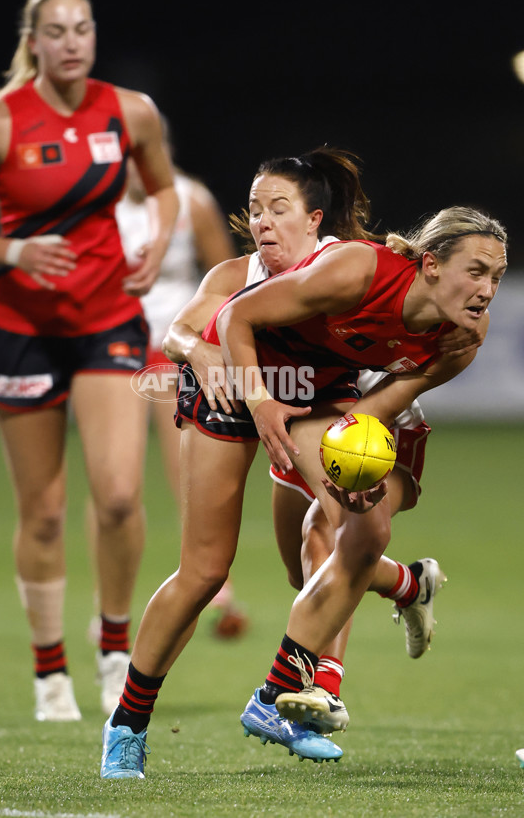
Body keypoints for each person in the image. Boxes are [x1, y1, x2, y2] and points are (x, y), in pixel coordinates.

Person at [99, 148, 496, 779]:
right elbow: (221, 321)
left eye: (276, 208)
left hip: (316, 394)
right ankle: (126, 725)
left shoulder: (424, 318)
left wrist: (359, 466)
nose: (261, 220)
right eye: (255, 209)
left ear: (315, 219)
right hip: (237, 386)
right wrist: (232, 381)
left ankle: (288, 694)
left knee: (361, 527)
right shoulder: (259, 273)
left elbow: (376, 406)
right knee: (205, 572)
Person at [0, 0, 179, 723]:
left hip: (109, 320)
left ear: (93, 36)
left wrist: (159, 241)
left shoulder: (130, 111)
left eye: (83, 29)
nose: (72, 42)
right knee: (42, 514)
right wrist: (14, 251)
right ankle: (50, 676)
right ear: (33, 42)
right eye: (57, 31)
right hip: (22, 330)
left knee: (117, 497)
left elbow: (164, 192)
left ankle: (113, 654)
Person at [214, 201, 506, 740]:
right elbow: (235, 314)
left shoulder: (462, 335)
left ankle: (313, 689)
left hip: (370, 418)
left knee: (338, 531)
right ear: (432, 264)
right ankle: (407, 583)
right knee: (303, 575)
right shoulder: (359, 271)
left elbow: (384, 405)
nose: (487, 289)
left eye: (497, 276)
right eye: (476, 271)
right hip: (308, 400)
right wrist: (260, 402)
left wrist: (343, 462)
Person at [85, 138, 243, 712]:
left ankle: (209, 584)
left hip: (174, 351)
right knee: (115, 490)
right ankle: (111, 611)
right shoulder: (94, 204)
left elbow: (227, 280)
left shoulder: (190, 199)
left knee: (188, 474)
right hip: (108, 348)